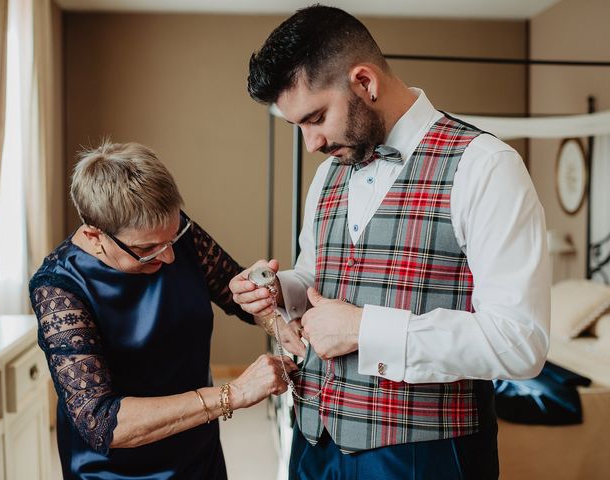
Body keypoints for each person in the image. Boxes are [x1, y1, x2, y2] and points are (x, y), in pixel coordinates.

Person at [229, 5, 550, 479]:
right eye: (298, 125)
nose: (310, 143)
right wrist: (283, 290)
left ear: (365, 82)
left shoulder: (485, 166)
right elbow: (319, 275)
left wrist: (364, 329)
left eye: (316, 117)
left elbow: (521, 343)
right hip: (313, 442)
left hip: (425, 454)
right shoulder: (327, 177)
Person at [29, 140, 296, 479]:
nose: (169, 256)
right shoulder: (58, 287)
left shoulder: (171, 234)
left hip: (199, 451)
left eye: (173, 238)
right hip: (116, 472)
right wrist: (234, 394)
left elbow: (233, 290)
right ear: (95, 235)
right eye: (148, 248)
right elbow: (101, 421)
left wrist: (275, 317)